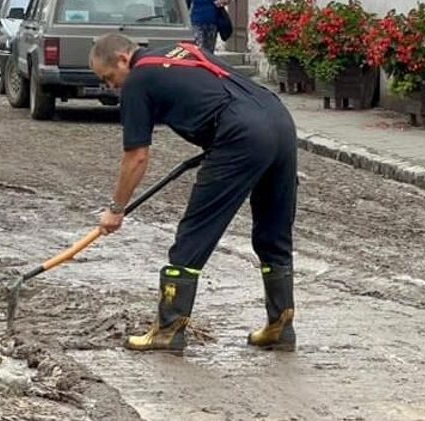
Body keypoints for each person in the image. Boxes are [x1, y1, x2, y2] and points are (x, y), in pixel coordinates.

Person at [89, 34, 298, 353]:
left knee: (195, 232)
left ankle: (168, 329)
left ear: (122, 59)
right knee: (273, 232)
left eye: (109, 78)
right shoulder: (182, 49)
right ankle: (281, 327)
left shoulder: (138, 79)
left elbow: (136, 156)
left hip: (240, 133)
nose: (113, 87)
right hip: (279, 120)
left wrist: (116, 208)